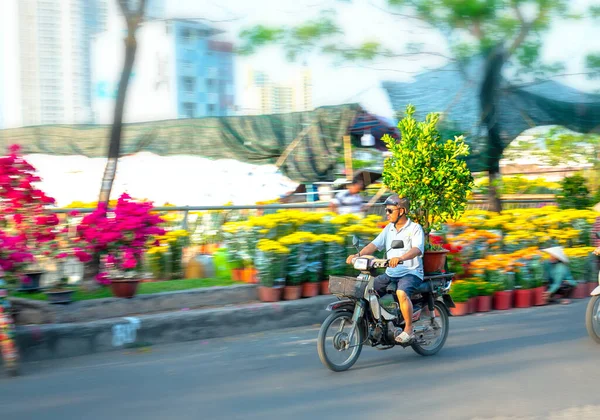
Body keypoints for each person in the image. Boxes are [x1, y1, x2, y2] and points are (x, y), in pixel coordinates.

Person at [346, 194, 424, 344]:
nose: (386, 214)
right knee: (366, 290)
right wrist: (357, 254)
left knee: (401, 292)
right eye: (386, 211)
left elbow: (417, 249)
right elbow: (374, 245)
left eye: (389, 210)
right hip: (391, 273)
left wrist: (401, 258)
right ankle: (377, 323)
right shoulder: (389, 229)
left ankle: (408, 328)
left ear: (401, 211)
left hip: (411, 272)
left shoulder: (414, 228)